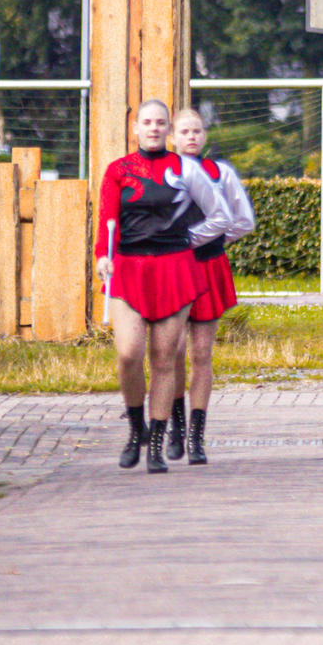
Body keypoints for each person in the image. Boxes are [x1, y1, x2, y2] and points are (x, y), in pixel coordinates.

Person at [95, 97, 223, 471]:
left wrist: (199, 241)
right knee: (129, 354)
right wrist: (104, 255)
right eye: (146, 122)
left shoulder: (186, 169)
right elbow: (107, 220)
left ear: (169, 129)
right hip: (129, 268)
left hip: (175, 267)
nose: (153, 128)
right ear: (135, 128)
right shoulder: (118, 170)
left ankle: (156, 442)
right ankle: (136, 429)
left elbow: (217, 213)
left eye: (160, 123)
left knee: (165, 359)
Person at [167, 105, 257, 462]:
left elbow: (242, 220)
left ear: (205, 136)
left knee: (201, 353)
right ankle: (173, 428)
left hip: (207, 267)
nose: (191, 137)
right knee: (170, 353)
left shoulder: (221, 173)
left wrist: (210, 239)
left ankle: (196, 437)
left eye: (197, 131)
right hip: (171, 270)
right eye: (184, 132)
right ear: (172, 137)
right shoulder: (164, 174)